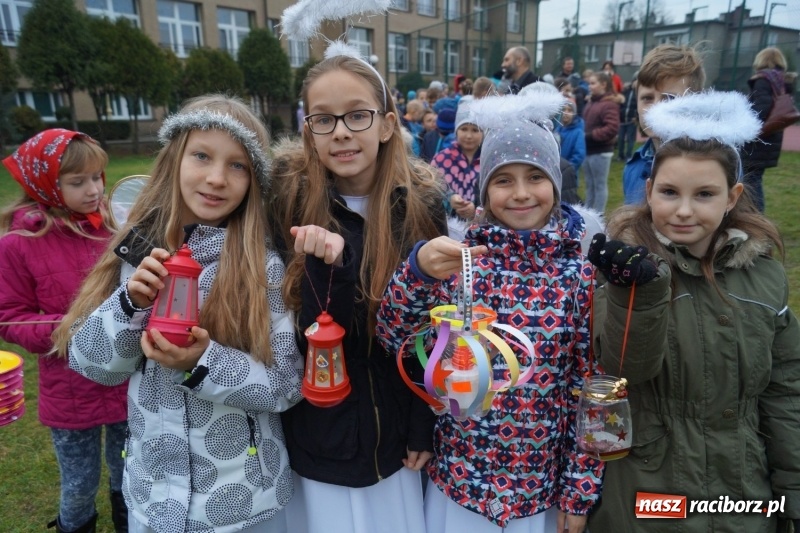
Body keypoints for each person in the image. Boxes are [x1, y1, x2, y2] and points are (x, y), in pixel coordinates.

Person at [61, 95, 303, 532]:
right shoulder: (136, 252)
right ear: (174, 158)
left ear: (253, 181)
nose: (216, 178)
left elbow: (286, 384)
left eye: (237, 165)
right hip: (152, 498)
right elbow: (92, 365)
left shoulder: (259, 267)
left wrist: (202, 363)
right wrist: (129, 304)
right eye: (202, 156)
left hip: (241, 505)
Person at [377, 89, 604, 533]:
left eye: (535, 176)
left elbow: (588, 388)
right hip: (459, 483)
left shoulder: (578, 278)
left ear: (555, 184)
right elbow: (395, 337)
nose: (521, 193)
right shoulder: (460, 263)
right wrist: (417, 273)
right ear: (484, 188)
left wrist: (579, 489)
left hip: (539, 490)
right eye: (503, 180)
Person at [588, 91, 800, 533]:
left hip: (741, 491)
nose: (683, 210)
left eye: (704, 194)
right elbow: (623, 368)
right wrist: (638, 295)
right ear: (649, 191)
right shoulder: (624, 267)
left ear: (732, 196)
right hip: (651, 493)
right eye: (669, 192)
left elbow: (785, 389)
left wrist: (791, 488)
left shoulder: (764, 278)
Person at [268, 50, 448, 533]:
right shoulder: (288, 202)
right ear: (309, 131)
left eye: (357, 115)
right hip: (317, 431)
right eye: (324, 119)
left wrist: (421, 423)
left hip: (396, 430)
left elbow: (434, 331)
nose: (342, 131)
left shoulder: (420, 206)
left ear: (387, 124)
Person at [0, 129, 127, 533]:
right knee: (78, 484)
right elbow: (10, 317)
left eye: (98, 177)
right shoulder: (20, 243)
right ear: (44, 185)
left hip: (125, 377)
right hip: (70, 389)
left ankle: (130, 523)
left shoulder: (115, 225)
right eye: (78, 182)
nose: (94, 190)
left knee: (130, 471)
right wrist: (66, 329)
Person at [623, 44, 705, 205]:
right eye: (647, 98)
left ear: (696, 103)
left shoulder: (713, 166)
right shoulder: (635, 165)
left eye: (669, 98)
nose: (656, 109)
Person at [740, 47, 797, 213]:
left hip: (758, 139)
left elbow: (760, 110)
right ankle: (752, 214)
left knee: (751, 180)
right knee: (754, 178)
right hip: (771, 137)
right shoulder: (781, 82)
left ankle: (756, 217)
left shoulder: (763, 81)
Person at [431, 98, 482, 228]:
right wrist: (449, 200)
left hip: (481, 230)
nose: (469, 135)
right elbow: (430, 192)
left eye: (475, 130)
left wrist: (476, 210)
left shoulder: (489, 161)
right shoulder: (442, 159)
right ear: (456, 131)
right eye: (464, 129)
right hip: (446, 228)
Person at [582, 71, 619, 212]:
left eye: (593, 83)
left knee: (599, 185)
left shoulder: (609, 104)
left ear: (603, 84)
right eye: (589, 83)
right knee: (590, 185)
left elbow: (612, 128)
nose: (589, 86)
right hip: (588, 149)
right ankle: (587, 214)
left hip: (601, 151)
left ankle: (598, 216)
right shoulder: (592, 102)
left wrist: (590, 135)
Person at [556, 98, 586, 176]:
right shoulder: (556, 130)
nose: (566, 113)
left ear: (574, 113)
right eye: (564, 110)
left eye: (569, 110)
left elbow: (579, 154)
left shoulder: (577, 132)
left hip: (568, 173)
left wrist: (568, 169)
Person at [617, 73, 638, 161]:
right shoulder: (626, 91)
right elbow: (620, 102)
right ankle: (620, 155)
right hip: (622, 119)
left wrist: (636, 117)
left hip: (631, 120)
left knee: (630, 139)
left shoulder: (639, 94)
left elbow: (639, 107)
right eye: (635, 81)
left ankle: (628, 155)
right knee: (621, 138)